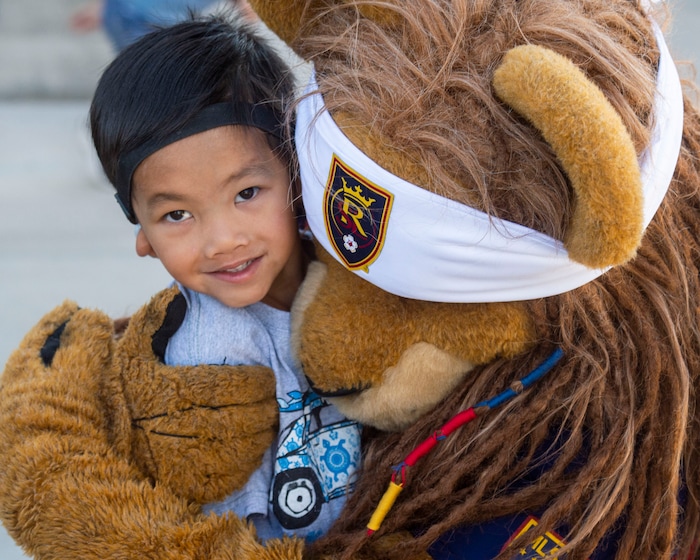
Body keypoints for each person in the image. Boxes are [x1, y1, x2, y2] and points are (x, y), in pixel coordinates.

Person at [89, 13, 361, 542]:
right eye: (176, 216)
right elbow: (231, 532)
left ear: (297, 175)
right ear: (143, 235)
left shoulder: (352, 273)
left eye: (245, 194)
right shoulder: (208, 350)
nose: (221, 240)